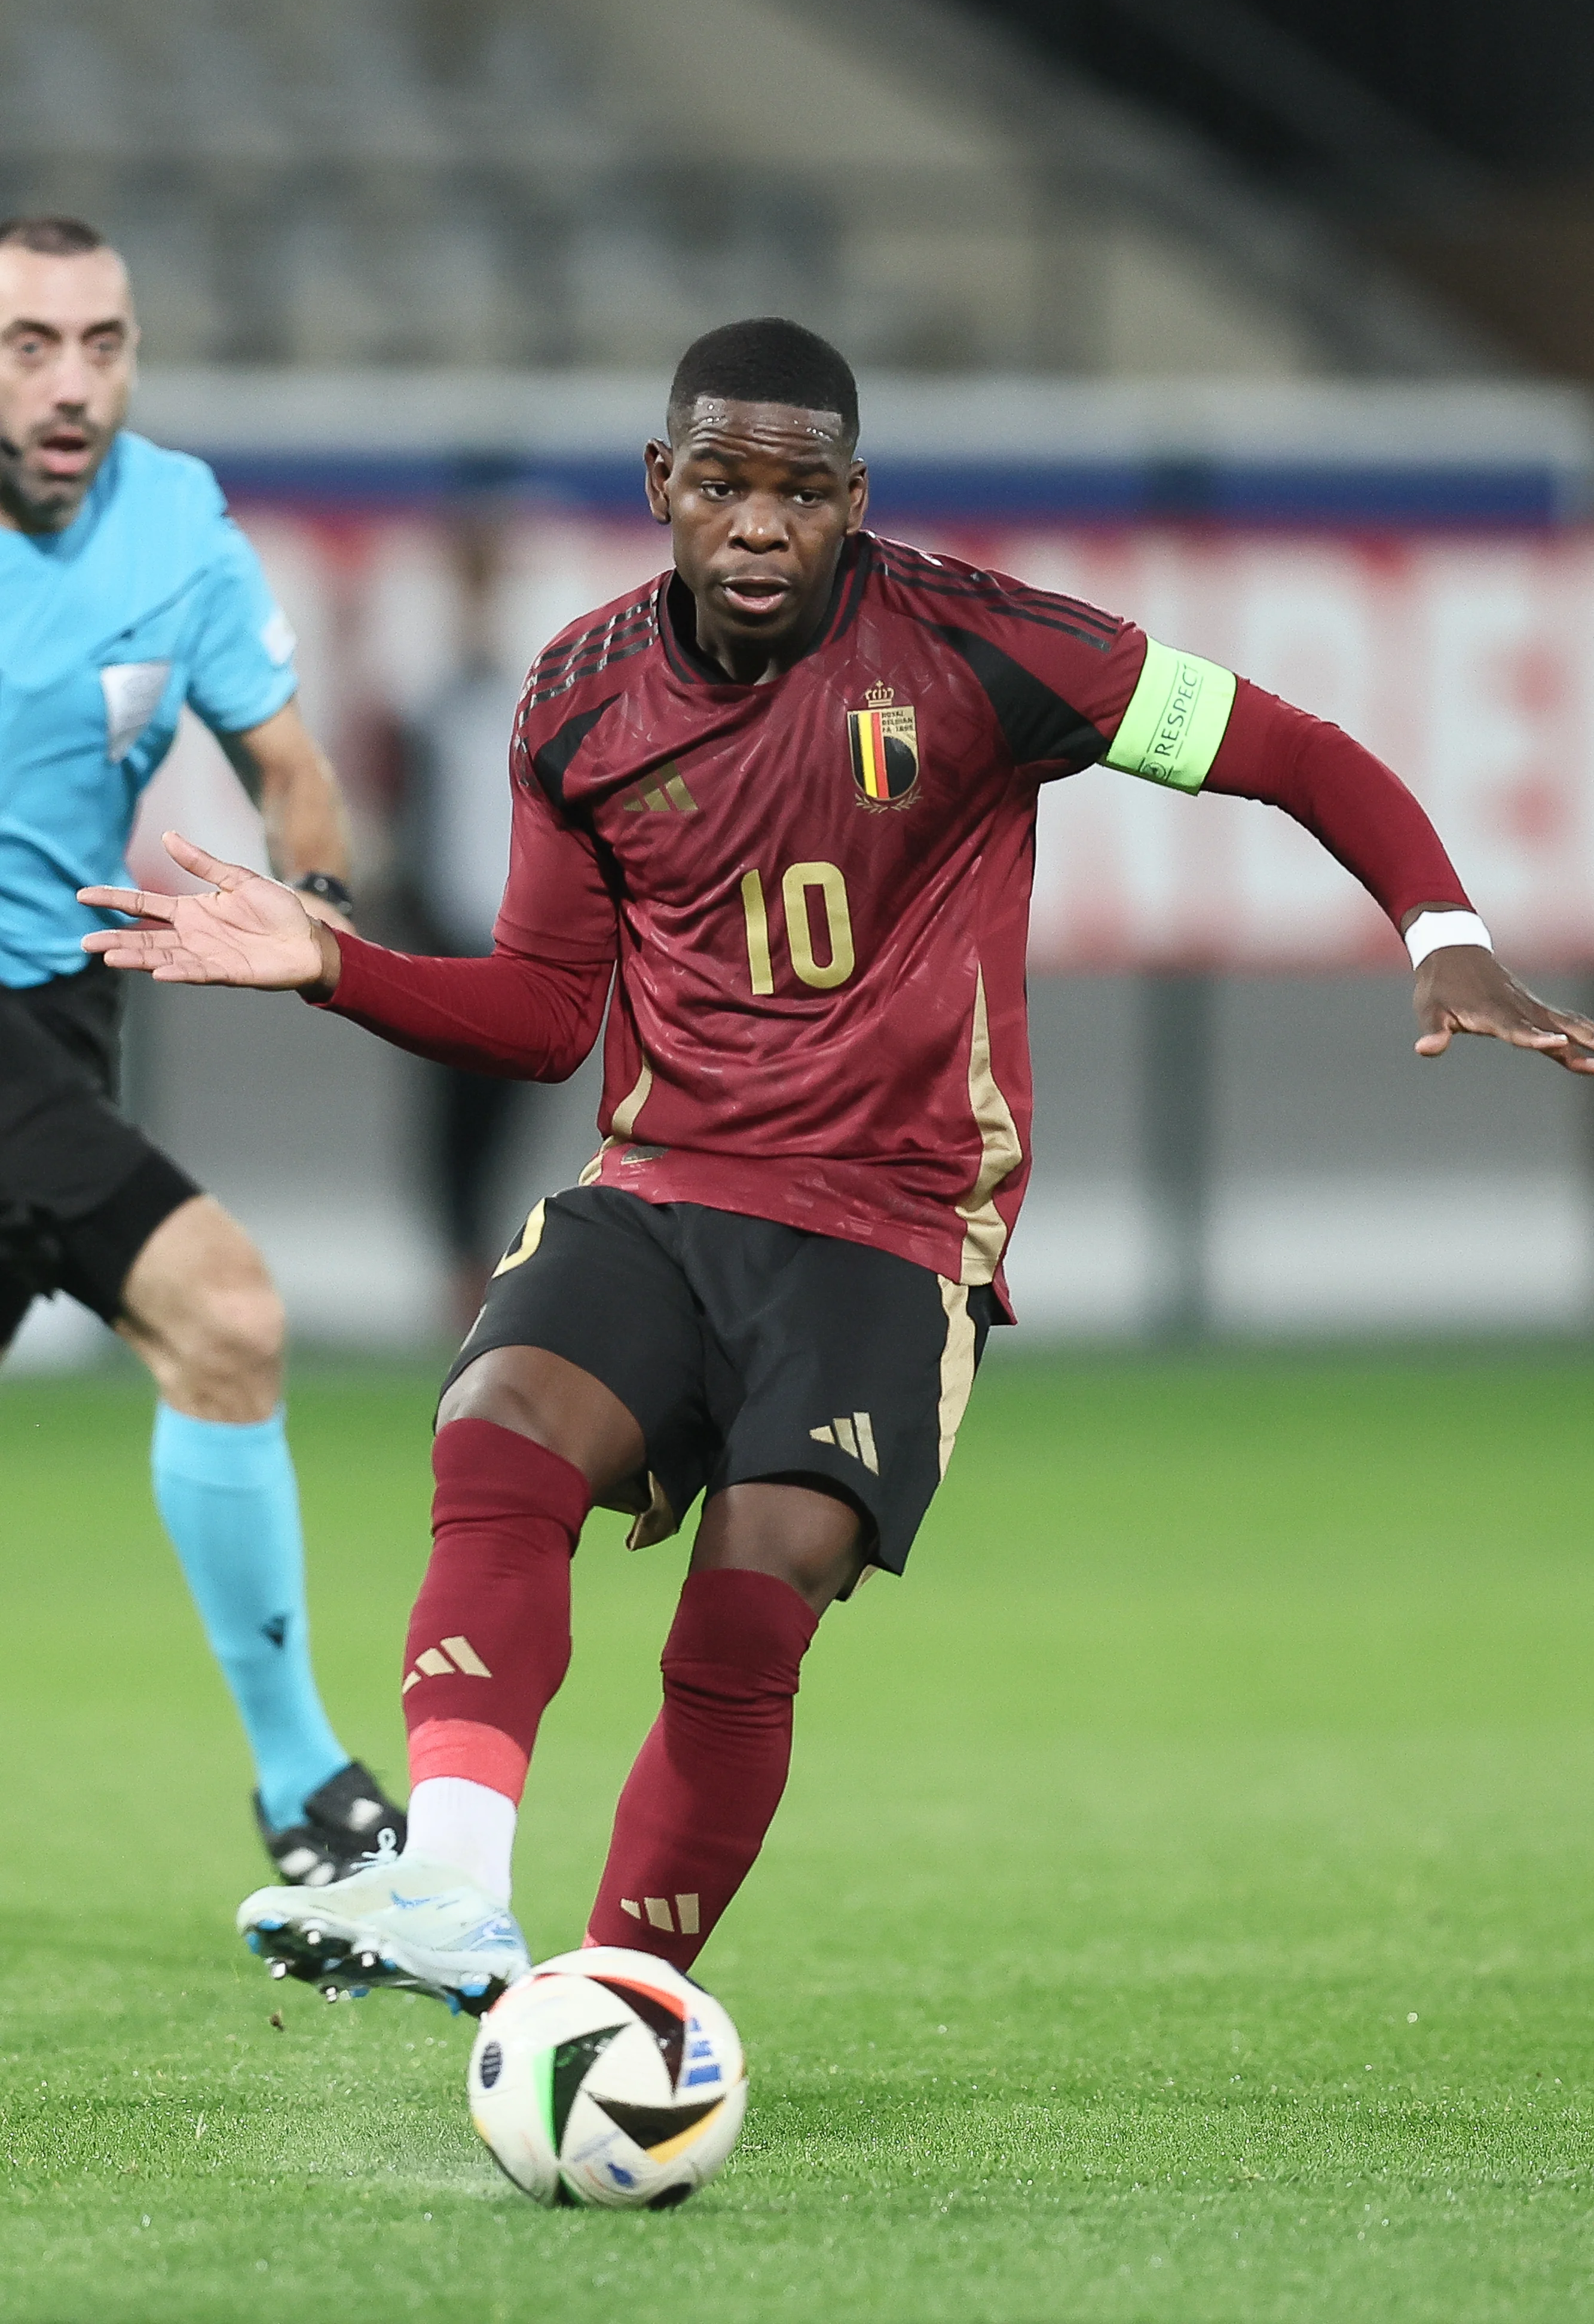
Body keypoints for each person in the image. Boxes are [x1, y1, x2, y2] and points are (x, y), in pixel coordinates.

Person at [84, 317, 1594, 2019]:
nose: (755, 525)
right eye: (720, 483)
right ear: (663, 485)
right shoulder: (577, 709)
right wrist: (329, 960)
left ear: (852, 502)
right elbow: (537, 1015)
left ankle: (619, 2007)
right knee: (498, 1428)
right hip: (660, 1184)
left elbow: (1294, 749)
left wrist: (1442, 931)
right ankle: (449, 1880)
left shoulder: (989, 650)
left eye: (798, 494)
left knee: (754, 1598)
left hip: (892, 1225)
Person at [0, 214, 404, 1886]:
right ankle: (310, 1790)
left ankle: (302, 1792)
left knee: (223, 1347)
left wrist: (306, 903)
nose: (71, 383)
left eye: (103, 343)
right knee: (225, 1306)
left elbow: (299, 773)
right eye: (30, 346)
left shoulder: (180, 527)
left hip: (57, 1038)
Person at [396, 498, 544, 1332]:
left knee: (489, 1123)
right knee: (452, 1130)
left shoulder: (524, 702)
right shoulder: (438, 705)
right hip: (458, 946)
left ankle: (484, 1271)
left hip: (513, 947)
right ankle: (466, 1275)